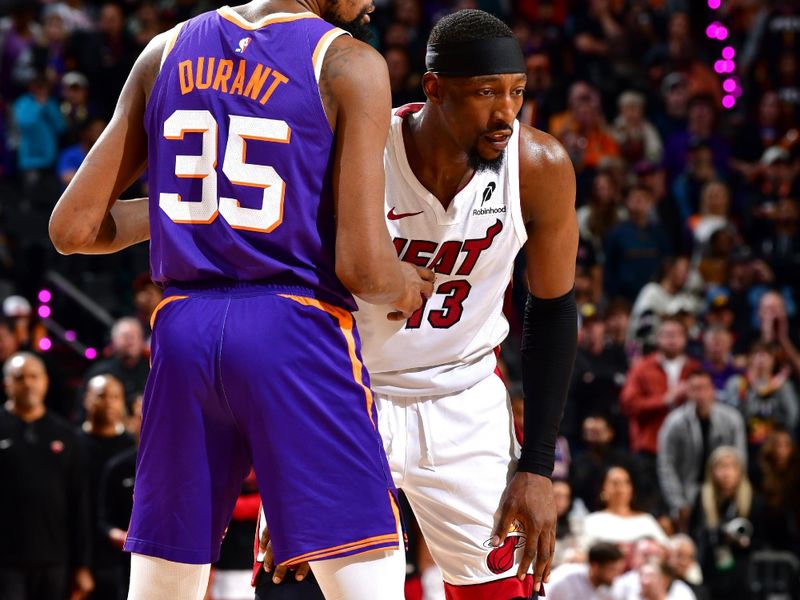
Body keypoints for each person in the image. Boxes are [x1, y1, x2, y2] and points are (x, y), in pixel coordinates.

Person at [49, 0, 432, 597]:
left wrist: (196, 208)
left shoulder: (164, 49)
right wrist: (406, 283)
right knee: (372, 577)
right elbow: (361, 266)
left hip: (181, 334)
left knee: (165, 582)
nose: (374, 3)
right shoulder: (349, 62)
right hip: (293, 327)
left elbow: (71, 229)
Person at [260, 9, 578, 599]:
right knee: (304, 582)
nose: (505, 113)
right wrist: (287, 450)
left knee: (502, 591)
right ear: (433, 88)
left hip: (465, 397)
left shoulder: (539, 168)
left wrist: (536, 467)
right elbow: (290, 291)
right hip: (349, 392)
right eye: (485, 93)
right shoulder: (356, 150)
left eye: (517, 93)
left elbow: (554, 311)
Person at [0, 352, 94, 599]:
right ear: (6, 383)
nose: (28, 383)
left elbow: (78, 500)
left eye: (34, 376)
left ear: (46, 381)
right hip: (6, 562)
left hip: (55, 559)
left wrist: (81, 565)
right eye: (19, 377)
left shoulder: (66, 435)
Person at [657, 369, 746, 532]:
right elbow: (666, 465)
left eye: (705, 388)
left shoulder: (732, 419)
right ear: (687, 392)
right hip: (687, 492)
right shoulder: (674, 423)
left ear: (713, 390)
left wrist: (734, 496)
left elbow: (740, 460)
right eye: (695, 389)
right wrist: (678, 503)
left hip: (724, 490)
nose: (701, 394)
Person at [580, 465, 669, 551]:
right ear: (603, 489)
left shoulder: (646, 520)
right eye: (615, 483)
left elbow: (666, 548)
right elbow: (583, 552)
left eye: (626, 483)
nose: (621, 489)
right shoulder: (593, 521)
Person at [546, 542, 625, 600]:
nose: (616, 575)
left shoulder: (608, 590)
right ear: (596, 566)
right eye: (612, 570)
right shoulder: (566, 577)